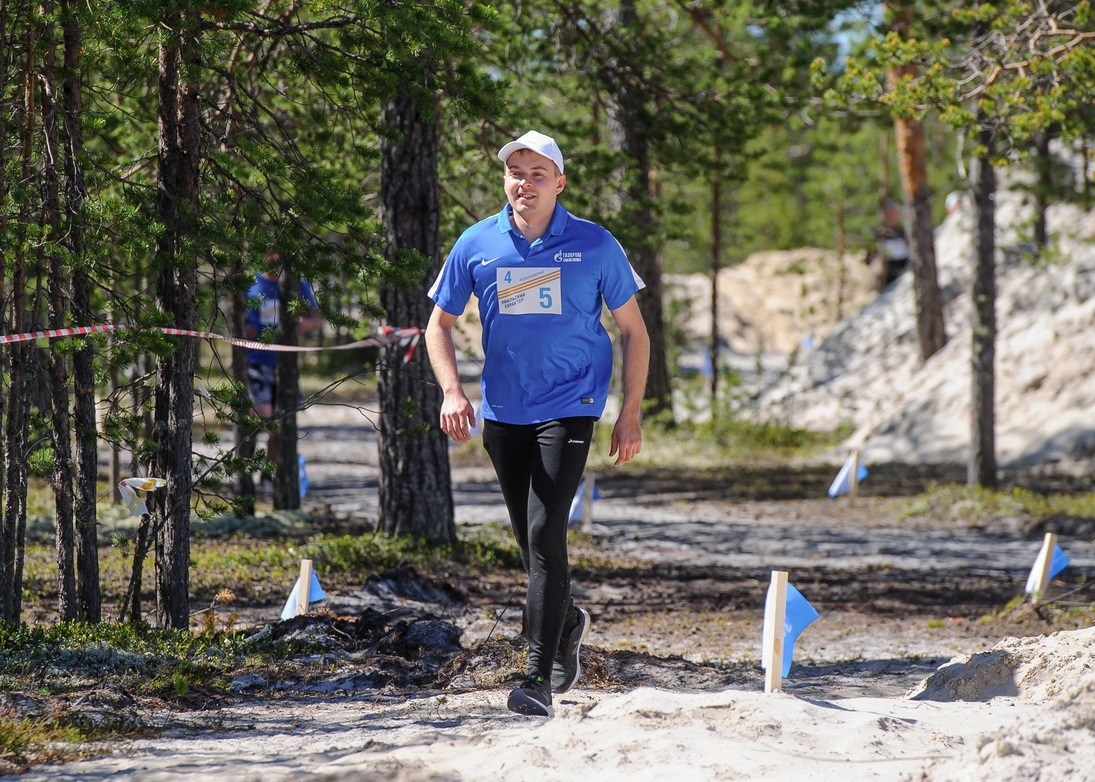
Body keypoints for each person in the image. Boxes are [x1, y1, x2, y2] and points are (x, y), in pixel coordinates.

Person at [425, 130, 650, 718]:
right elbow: (436, 325)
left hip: (572, 404)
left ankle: (535, 678)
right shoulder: (477, 242)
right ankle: (566, 621)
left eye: (537, 173)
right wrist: (452, 392)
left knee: (547, 533)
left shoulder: (595, 243)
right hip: (505, 410)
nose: (524, 183)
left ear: (559, 183)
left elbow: (634, 331)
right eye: (515, 173)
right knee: (530, 542)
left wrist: (628, 413)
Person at [244, 252, 323, 477]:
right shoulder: (251, 284)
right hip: (256, 361)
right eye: (270, 252)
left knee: (280, 420)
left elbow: (317, 319)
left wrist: (300, 325)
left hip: (285, 364)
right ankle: (246, 468)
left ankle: (268, 474)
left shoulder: (297, 285)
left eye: (279, 253)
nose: (274, 258)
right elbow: (235, 318)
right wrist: (243, 329)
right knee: (261, 417)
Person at [865, 197, 910, 289]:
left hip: (904, 276)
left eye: (896, 212)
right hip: (886, 280)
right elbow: (869, 260)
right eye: (891, 212)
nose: (895, 215)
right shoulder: (878, 234)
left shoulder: (903, 232)